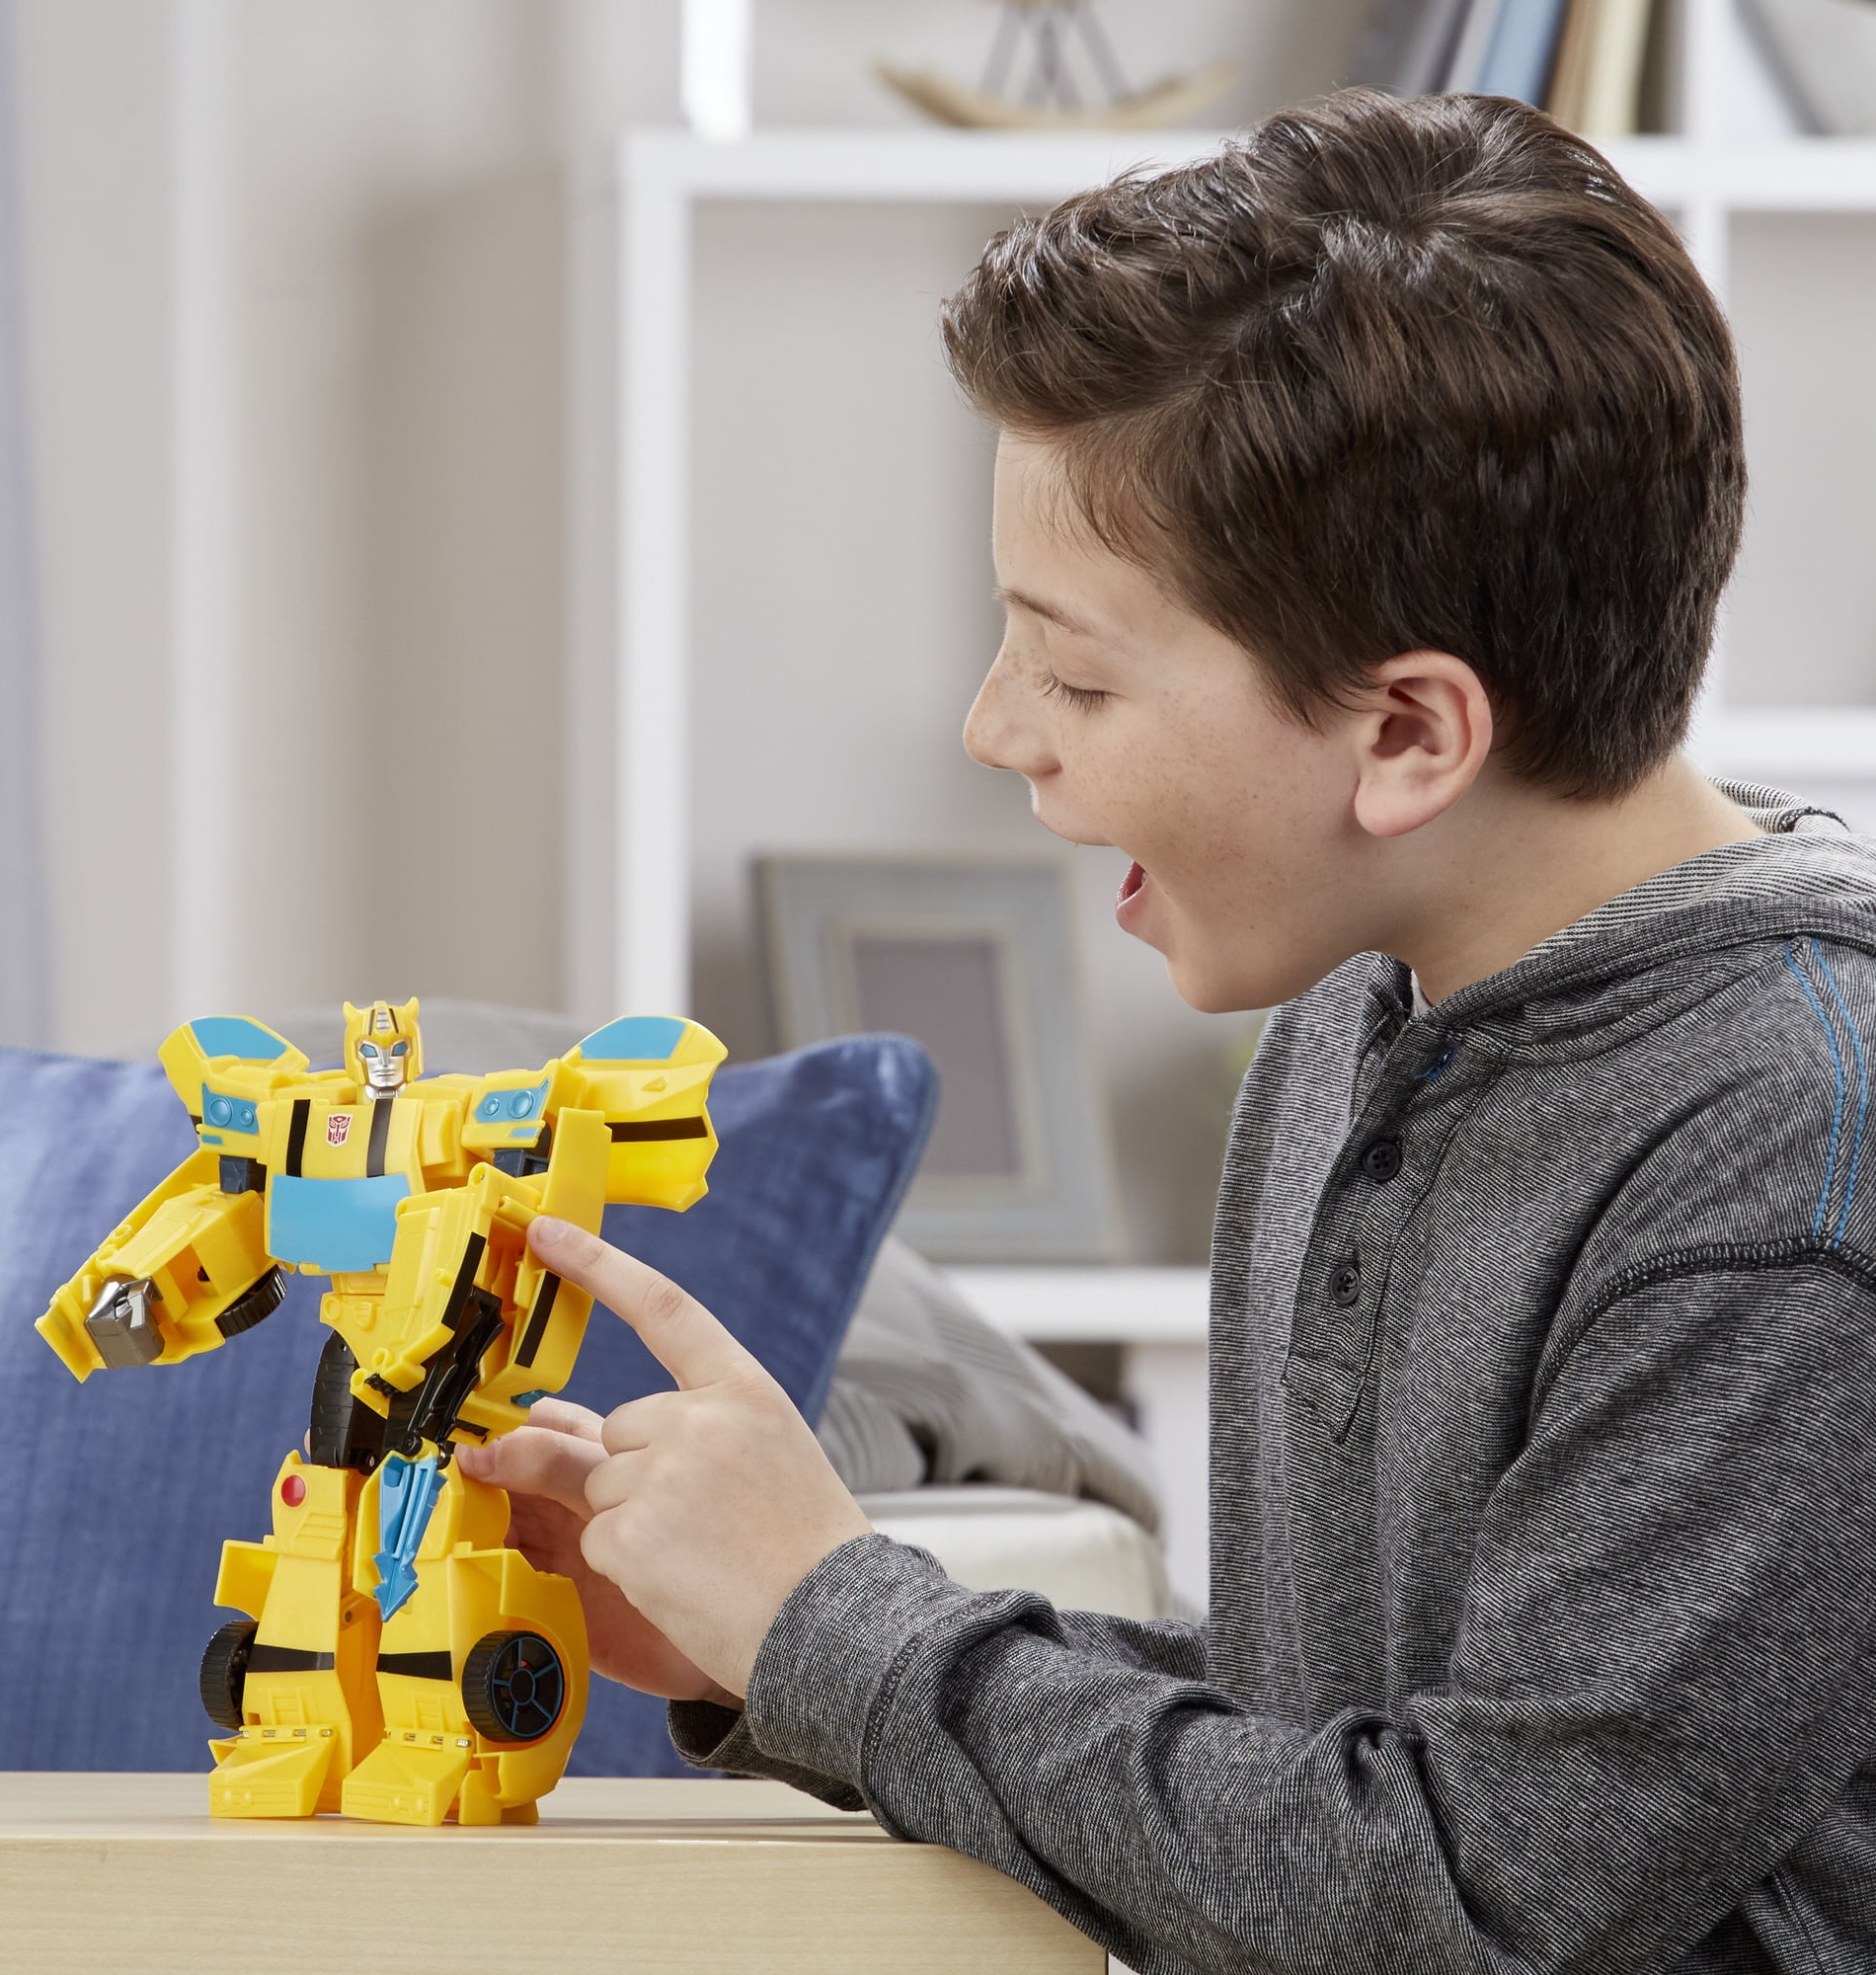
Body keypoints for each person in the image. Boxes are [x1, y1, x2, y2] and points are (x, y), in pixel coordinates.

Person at [456, 90, 1876, 1974]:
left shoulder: (1789, 1154)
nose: (995, 728)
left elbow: (1473, 1904)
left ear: (1407, 736)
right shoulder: (1359, 1018)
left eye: (1073, 670)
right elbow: (1329, 1750)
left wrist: (839, 1626)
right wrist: (771, 1647)